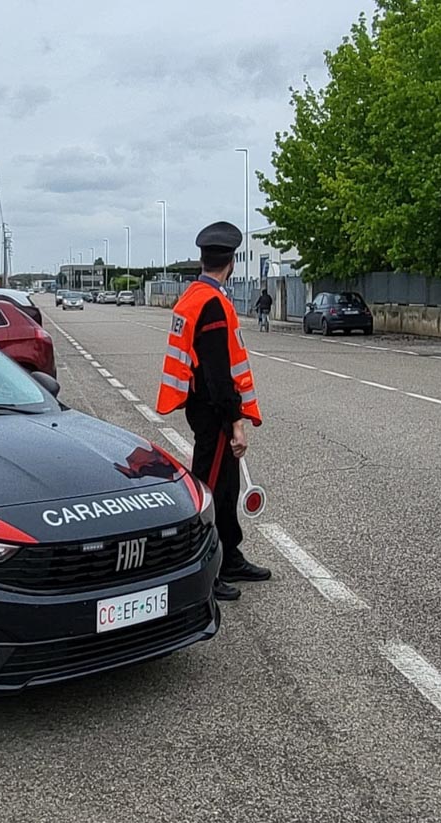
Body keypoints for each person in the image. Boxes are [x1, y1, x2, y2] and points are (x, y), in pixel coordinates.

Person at [156, 221, 271, 603]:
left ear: (203, 259)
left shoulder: (192, 296)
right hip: (214, 411)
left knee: (224, 486)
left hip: (201, 408)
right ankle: (208, 565)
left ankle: (230, 555)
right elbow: (219, 376)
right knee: (211, 490)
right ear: (232, 262)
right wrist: (235, 422)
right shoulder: (214, 305)